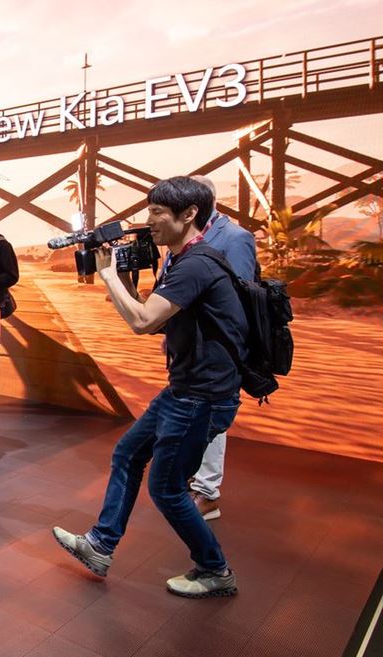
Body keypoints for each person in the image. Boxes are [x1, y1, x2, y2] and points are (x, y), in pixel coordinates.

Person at [52, 176, 248, 598]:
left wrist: (107, 276)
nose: (149, 220)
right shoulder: (184, 259)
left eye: (158, 212)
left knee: (166, 487)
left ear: (189, 214)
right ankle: (100, 546)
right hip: (185, 389)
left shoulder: (197, 264)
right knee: (127, 454)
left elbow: (144, 321)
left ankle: (215, 570)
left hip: (201, 396)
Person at [181, 175, 257, 521]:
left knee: (212, 418)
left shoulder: (236, 237)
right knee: (192, 415)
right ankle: (191, 479)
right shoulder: (186, 238)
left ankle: (208, 493)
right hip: (187, 349)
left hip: (218, 350)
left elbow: (239, 296)